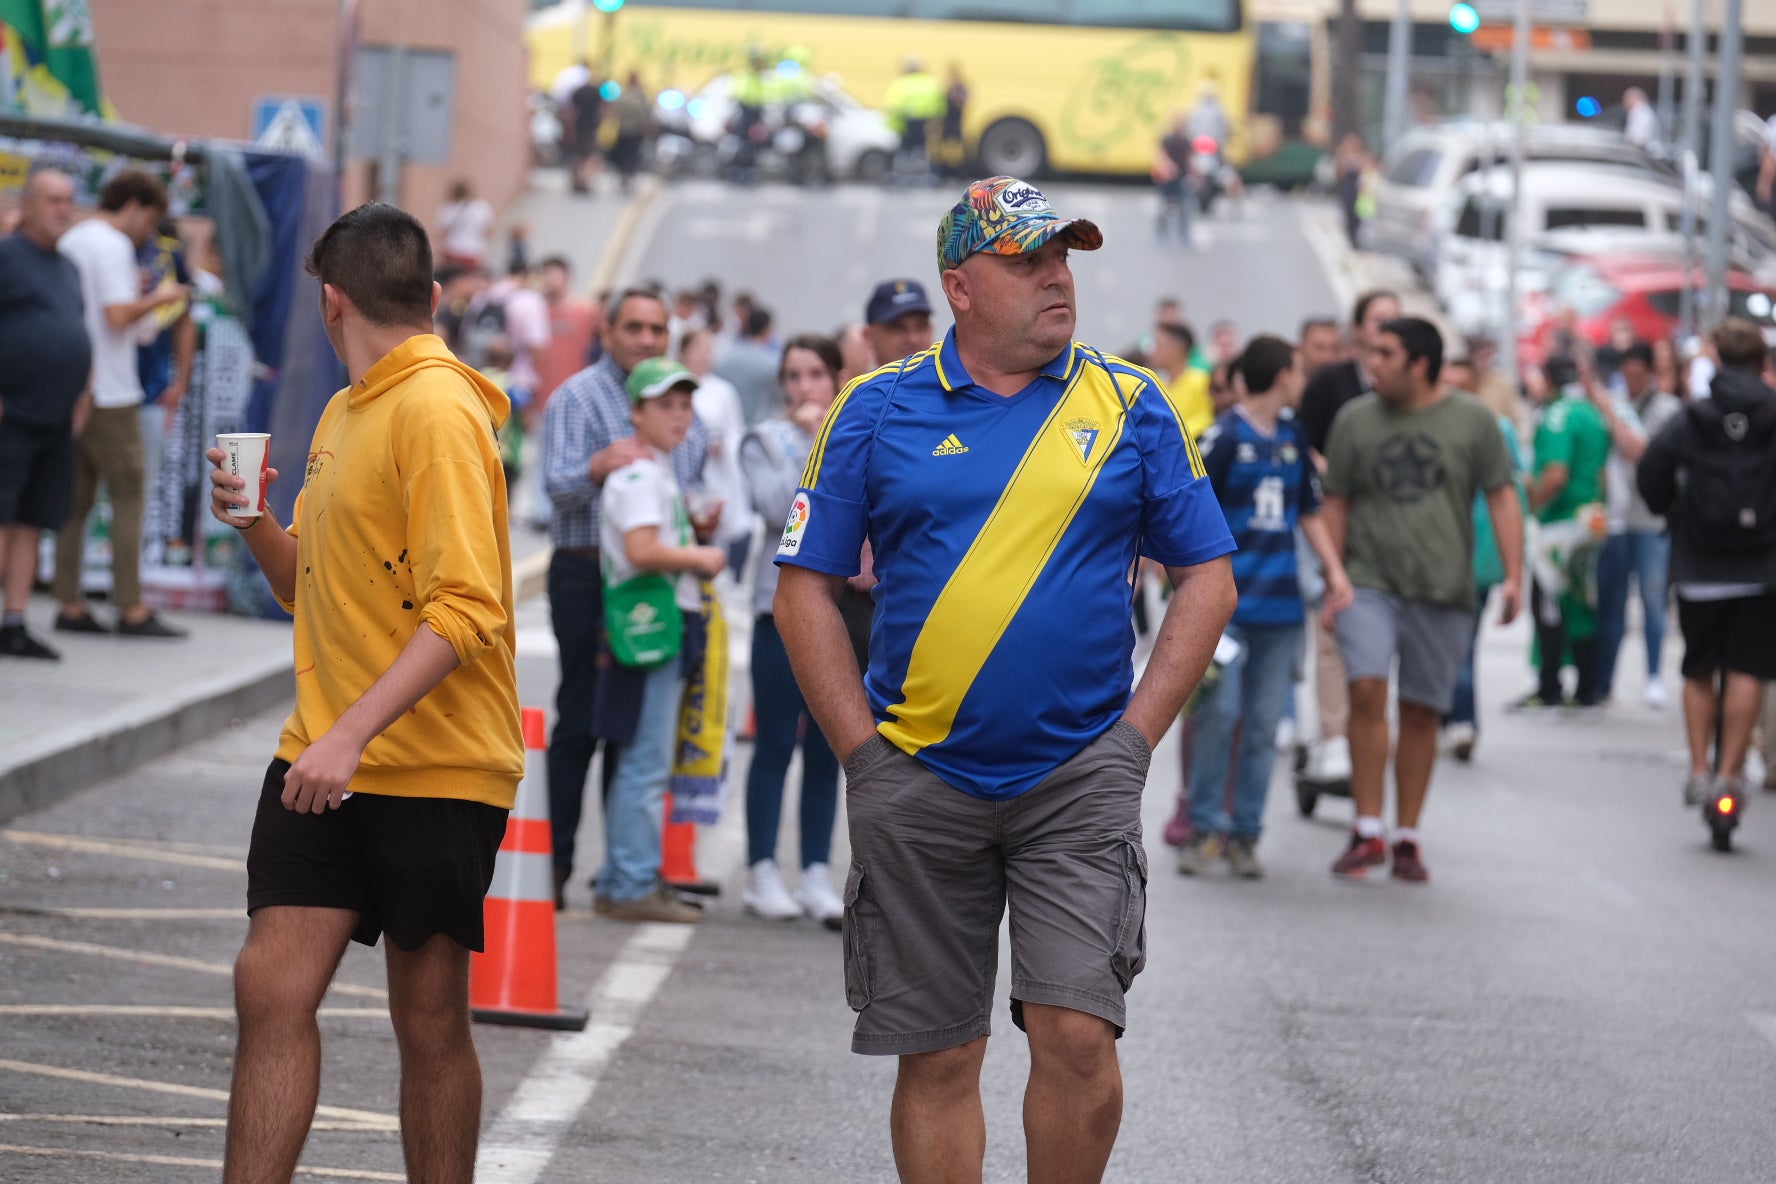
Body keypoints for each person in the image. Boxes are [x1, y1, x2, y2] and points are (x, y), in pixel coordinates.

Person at [774, 175, 1236, 1182]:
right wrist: (862, 751)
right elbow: (803, 588)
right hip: (919, 777)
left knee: (1077, 1036)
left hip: (1076, 782)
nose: (1056, 278)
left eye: (1062, 257)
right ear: (961, 285)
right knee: (940, 1050)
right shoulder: (873, 407)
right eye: (1027, 260)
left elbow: (1207, 576)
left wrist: (1133, 741)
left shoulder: (1133, 404)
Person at [205, 201, 522, 1184]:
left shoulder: (436, 407)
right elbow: (309, 585)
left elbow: (465, 609)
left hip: (433, 764)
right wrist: (255, 518)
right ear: (426, 293)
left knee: (428, 1020)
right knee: (271, 984)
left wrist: (348, 733)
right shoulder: (347, 409)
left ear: (331, 299)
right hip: (325, 749)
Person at [1322, 317, 1523, 883]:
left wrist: (1514, 576)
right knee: (1365, 688)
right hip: (1367, 581)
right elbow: (1335, 501)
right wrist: (1334, 577)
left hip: (1444, 586)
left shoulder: (1474, 420)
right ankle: (1367, 828)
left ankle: (1406, 835)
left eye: (1386, 353)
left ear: (1420, 364)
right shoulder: (1354, 420)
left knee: (1420, 710)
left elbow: (1502, 496)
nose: (1373, 363)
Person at [541, 287, 711, 913]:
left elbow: (688, 488)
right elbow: (553, 492)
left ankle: (623, 870)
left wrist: (701, 523)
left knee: (631, 731)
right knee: (582, 723)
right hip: (588, 574)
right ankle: (553, 866)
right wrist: (597, 466)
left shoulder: (684, 405)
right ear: (607, 330)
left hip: (654, 588)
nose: (645, 338)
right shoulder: (579, 396)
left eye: (657, 328)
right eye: (634, 327)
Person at [1179, 336, 1352, 878]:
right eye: (1297, 372)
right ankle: (1204, 827)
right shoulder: (1222, 438)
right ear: (1280, 376)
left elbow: (1308, 510)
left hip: (1279, 610)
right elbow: (1187, 512)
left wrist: (1334, 571)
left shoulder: (1293, 437)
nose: (1302, 382)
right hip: (1224, 612)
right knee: (1219, 715)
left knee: (1260, 727)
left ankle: (1245, 835)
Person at [596, 357, 726, 922]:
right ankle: (629, 883)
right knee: (645, 759)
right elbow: (641, 549)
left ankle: (631, 875)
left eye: (684, 405)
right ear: (636, 413)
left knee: (645, 755)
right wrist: (700, 555)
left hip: (662, 624)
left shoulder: (654, 471)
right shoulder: (639, 475)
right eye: (664, 406)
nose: (678, 417)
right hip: (652, 626)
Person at [1637, 318, 1776, 807]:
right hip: (1761, 567)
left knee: (1699, 669)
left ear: (1714, 359)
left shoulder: (1692, 416)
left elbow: (1651, 469)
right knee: (1745, 669)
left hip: (1699, 563)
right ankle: (1730, 775)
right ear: (1763, 363)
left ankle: (1699, 771)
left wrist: (1668, 511)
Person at [737, 335, 848, 923]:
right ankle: (760, 869)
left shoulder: (852, 429)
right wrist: (812, 442)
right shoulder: (765, 440)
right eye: (794, 375)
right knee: (776, 740)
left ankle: (813, 870)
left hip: (838, 607)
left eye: (814, 374)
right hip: (775, 605)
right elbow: (782, 509)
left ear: (835, 378)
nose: (804, 387)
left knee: (829, 744)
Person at [54, 169, 188, 640]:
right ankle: (130, 607)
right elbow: (115, 317)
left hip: (73, 385)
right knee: (130, 493)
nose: (149, 232)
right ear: (133, 206)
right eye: (150, 219)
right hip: (111, 389)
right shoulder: (112, 247)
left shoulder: (74, 240)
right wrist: (160, 296)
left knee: (77, 500)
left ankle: (68, 602)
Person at [1296, 289, 1400, 783]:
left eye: (1395, 321)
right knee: (1333, 626)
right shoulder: (1331, 384)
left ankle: (1372, 732)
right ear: (1357, 330)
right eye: (1379, 320)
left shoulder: (1410, 392)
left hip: (1390, 535)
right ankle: (1334, 736)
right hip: (1334, 521)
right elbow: (1300, 443)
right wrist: (1332, 471)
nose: (1386, 329)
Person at [0, 167, 91, 661]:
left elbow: (74, 332)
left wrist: (82, 396)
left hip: (56, 418)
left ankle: (13, 623)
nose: (63, 208)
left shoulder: (68, 267)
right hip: (11, 413)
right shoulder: (7, 257)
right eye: (54, 199)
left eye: (69, 199)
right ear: (28, 204)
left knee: (31, 521)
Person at [1438, 357, 1528, 763]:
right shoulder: (1429, 428)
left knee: (1462, 642)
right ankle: (1447, 716)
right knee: (1442, 643)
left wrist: (1512, 569)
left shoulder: (1496, 430)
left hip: (1477, 557)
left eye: (1462, 386)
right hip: (1436, 554)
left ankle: (1461, 720)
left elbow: (1512, 495)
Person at [1516, 354, 1612, 710]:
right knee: (1581, 603)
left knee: (1548, 603)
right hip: (1591, 517)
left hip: (1561, 524)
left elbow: (1555, 474)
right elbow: (1601, 472)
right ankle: (1587, 686)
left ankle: (1549, 686)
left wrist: (1533, 505)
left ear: (1548, 377)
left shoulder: (1557, 415)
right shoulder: (1591, 412)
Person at [1590, 342, 1682, 706]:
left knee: (1653, 600)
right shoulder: (1610, 402)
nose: (1630, 381)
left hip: (1651, 520)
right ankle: (1603, 680)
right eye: (1624, 374)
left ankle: (1654, 676)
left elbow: (1639, 452)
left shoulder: (1667, 410)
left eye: (1636, 374)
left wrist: (1611, 413)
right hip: (1614, 520)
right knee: (1609, 603)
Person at [680, 325, 751, 572]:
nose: (704, 356)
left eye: (708, 350)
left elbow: (736, 432)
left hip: (718, 473)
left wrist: (723, 445)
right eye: (698, 349)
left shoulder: (723, 391)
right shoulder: (678, 388)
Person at [714, 305, 783, 426]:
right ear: (767, 329)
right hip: (757, 429)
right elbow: (779, 400)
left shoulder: (724, 356)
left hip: (727, 427)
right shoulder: (772, 363)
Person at [882, 56, 945, 185]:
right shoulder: (930, 83)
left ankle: (902, 176)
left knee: (904, 150)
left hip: (904, 123)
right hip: (924, 123)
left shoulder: (900, 83)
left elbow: (892, 105)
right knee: (921, 149)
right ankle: (923, 176)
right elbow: (940, 105)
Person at [863, 278, 935, 368]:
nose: (913, 339)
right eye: (898, 328)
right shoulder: (851, 381)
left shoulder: (953, 380)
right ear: (869, 337)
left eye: (921, 326)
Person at [1154, 110, 1194, 248]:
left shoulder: (1187, 140)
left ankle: (1184, 235)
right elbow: (1161, 155)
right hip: (1168, 177)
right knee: (1163, 207)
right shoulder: (1168, 139)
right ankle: (1161, 233)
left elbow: (1189, 159)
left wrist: (1193, 174)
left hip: (1181, 177)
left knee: (1185, 208)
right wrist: (1167, 166)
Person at [436, 180, 493, 270]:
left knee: (451, 281)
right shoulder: (481, 207)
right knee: (470, 281)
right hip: (472, 251)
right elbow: (488, 231)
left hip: (452, 250)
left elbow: (442, 232)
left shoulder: (447, 208)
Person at [609, 71, 650, 194]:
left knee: (625, 154)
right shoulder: (639, 95)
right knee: (631, 155)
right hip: (634, 130)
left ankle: (625, 176)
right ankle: (628, 175)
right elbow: (644, 112)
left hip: (624, 129)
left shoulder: (624, 94)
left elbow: (615, 110)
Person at [936, 64, 969, 181]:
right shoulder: (947, 89)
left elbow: (963, 105)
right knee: (942, 149)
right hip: (947, 122)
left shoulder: (961, 89)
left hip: (956, 121)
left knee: (959, 149)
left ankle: (960, 174)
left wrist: (955, 95)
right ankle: (943, 173)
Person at [1622, 87, 1659, 151]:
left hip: (1642, 150)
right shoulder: (1642, 110)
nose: (1624, 103)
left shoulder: (1640, 112)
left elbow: (1638, 137)